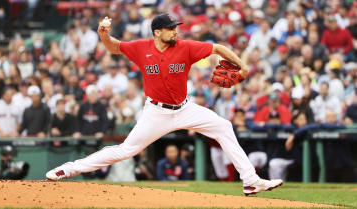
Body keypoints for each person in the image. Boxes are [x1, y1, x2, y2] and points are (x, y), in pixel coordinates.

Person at [46, 14, 283, 195]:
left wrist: (242, 65)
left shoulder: (186, 47)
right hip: (156, 112)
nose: (175, 31)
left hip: (185, 108)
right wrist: (104, 34)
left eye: (176, 27)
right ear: (157, 32)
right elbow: (114, 47)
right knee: (125, 151)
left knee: (224, 127)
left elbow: (218, 48)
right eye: (171, 28)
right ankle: (68, 169)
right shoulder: (141, 48)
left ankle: (251, 181)